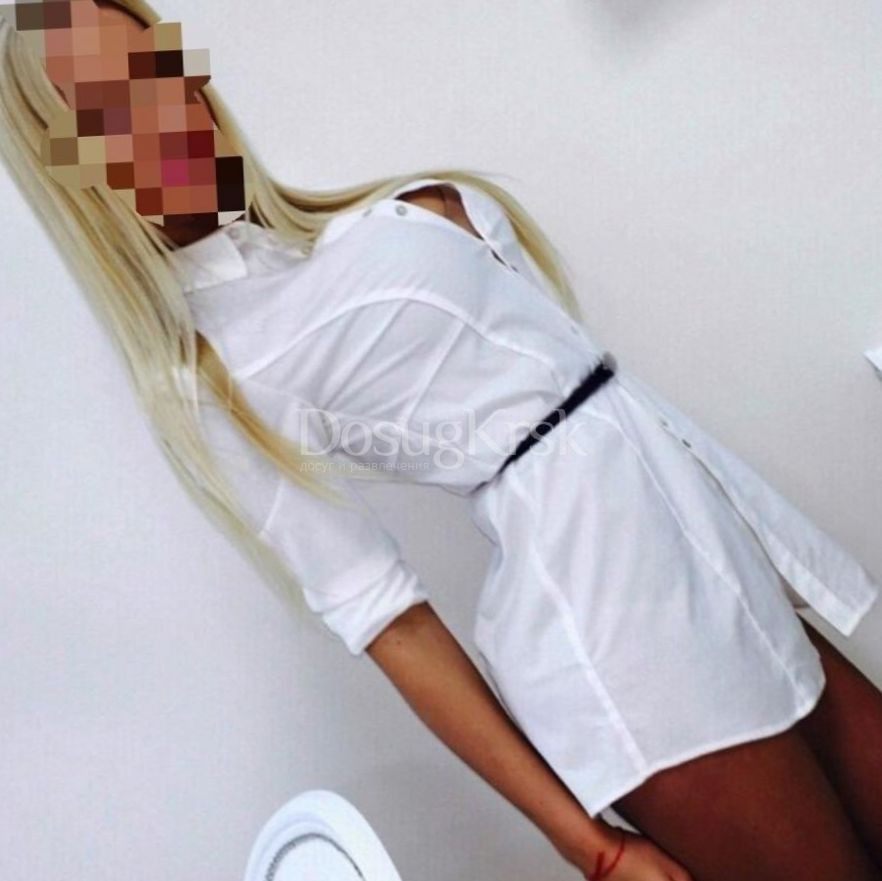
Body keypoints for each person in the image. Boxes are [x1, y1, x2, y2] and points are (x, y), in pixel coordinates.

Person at [1, 2, 880, 879]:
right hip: (623, 639)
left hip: (713, 562)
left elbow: (597, 410)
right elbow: (391, 621)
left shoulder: (335, 232)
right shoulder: (211, 372)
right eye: (111, 110)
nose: (167, 110)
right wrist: (596, 848)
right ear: (66, 164)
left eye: (159, 68)